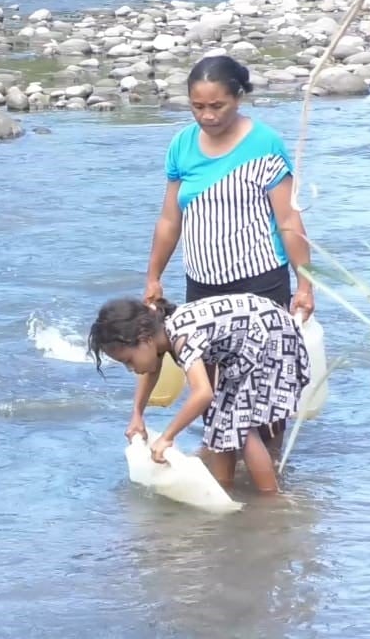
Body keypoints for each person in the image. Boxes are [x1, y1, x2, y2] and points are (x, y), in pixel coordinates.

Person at [143, 55, 314, 454]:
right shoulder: (182, 145)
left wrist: (306, 283)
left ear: (238, 98)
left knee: (264, 390)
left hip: (260, 281)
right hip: (202, 284)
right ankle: (227, 477)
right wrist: (153, 276)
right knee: (212, 391)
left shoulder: (264, 144)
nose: (207, 116)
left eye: (216, 106)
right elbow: (170, 219)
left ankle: (269, 480)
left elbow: (288, 218)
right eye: (197, 106)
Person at [88, 294, 310, 493]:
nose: (130, 368)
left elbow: (203, 394)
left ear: (145, 340)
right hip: (253, 337)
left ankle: (271, 499)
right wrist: (137, 414)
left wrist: (167, 437)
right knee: (220, 422)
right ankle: (224, 488)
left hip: (272, 336)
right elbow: (151, 369)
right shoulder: (160, 333)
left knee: (240, 425)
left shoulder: (182, 336)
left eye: (128, 360)